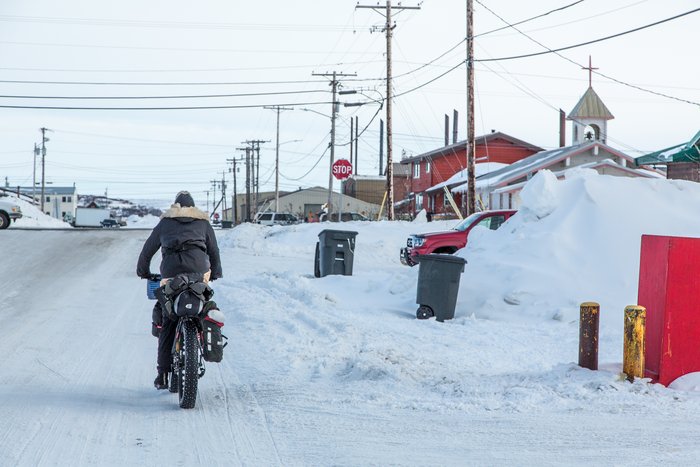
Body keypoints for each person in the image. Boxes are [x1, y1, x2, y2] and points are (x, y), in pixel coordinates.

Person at [137, 191, 223, 390]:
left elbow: (147, 250)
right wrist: (215, 273)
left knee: (168, 321)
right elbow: (214, 252)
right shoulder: (203, 224)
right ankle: (201, 333)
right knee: (202, 307)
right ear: (194, 208)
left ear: (175, 206)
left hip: (171, 277)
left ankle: (163, 375)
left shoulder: (165, 223)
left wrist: (144, 272)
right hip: (199, 275)